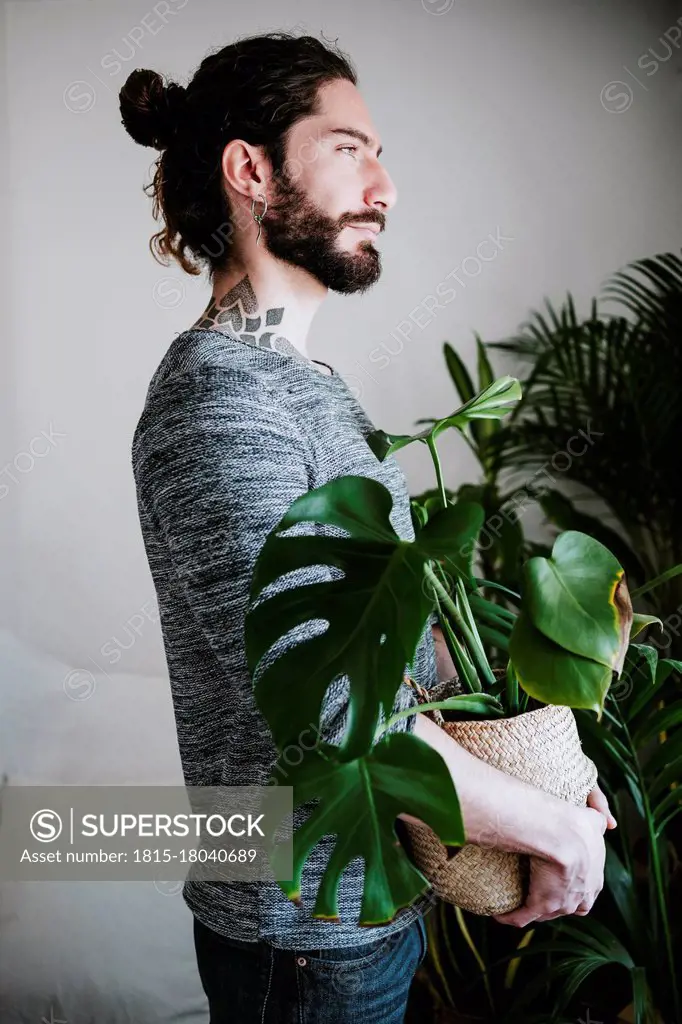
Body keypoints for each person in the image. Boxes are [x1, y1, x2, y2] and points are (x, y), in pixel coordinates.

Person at [120, 31, 616, 1024]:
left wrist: (548, 781)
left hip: (370, 918)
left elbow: (402, 652)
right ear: (251, 170)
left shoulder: (314, 389)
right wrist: (554, 831)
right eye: (351, 148)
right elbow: (332, 717)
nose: (385, 187)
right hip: (298, 942)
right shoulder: (216, 405)